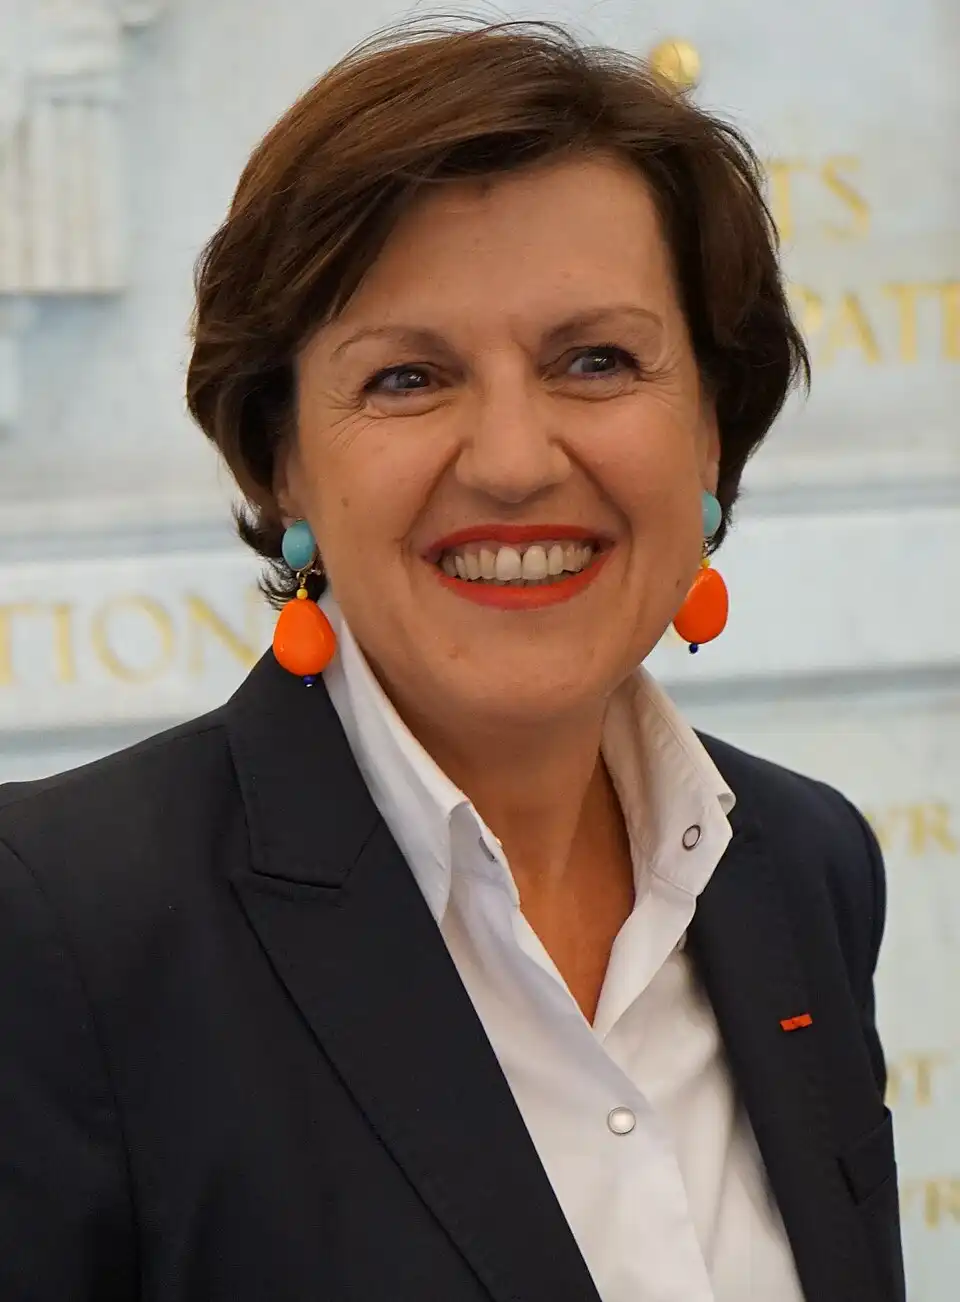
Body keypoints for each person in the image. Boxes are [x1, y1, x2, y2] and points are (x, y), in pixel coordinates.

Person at [0, 21, 905, 1302]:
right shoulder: (55, 931)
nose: (514, 461)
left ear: (710, 427)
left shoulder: (806, 868)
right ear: (281, 461)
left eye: (596, 360)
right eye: (409, 377)